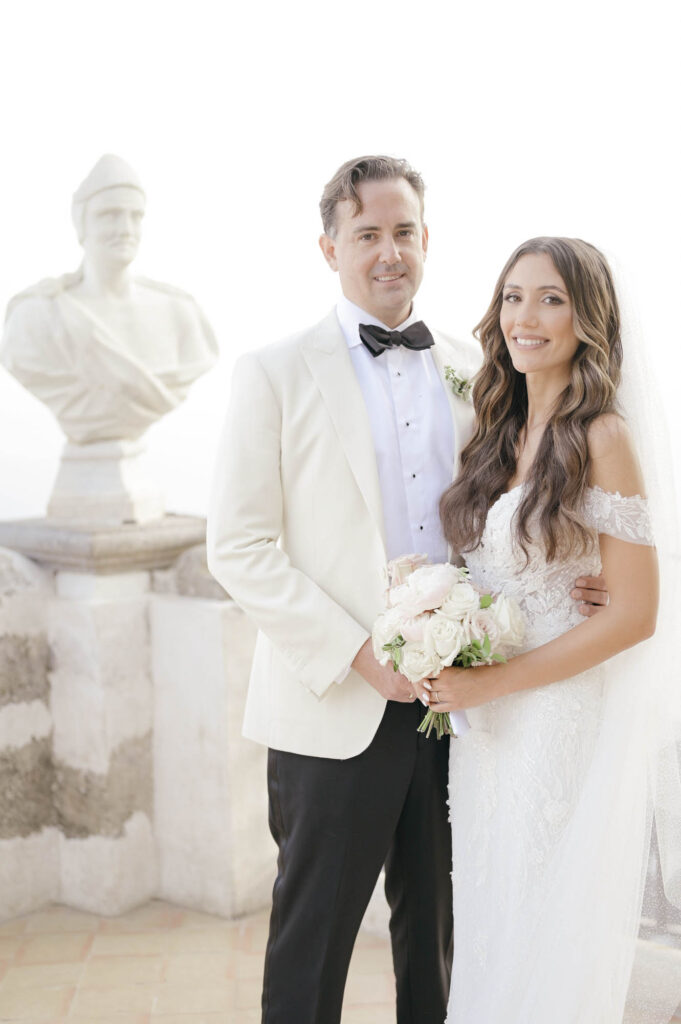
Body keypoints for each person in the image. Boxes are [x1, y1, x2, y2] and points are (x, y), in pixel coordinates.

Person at [206, 161, 607, 1024]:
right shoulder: (273, 371)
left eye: (402, 232)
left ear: (426, 240)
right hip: (332, 705)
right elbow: (237, 546)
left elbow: (518, 502)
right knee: (312, 944)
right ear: (329, 248)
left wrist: (578, 578)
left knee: (440, 940)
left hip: (465, 705)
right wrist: (361, 655)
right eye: (367, 235)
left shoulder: (479, 366)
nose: (388, 252)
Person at [434, 237, 680, 1022]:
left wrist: (492, 682)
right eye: (513, 297)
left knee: (542, 915)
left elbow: (635, 613)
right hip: (484, 731)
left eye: (550, 299)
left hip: (553, 718)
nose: (525, 317)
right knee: (490, 912)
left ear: (587, 319)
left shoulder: (601, 436)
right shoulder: (491, 429)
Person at [1, 154, 218, 445]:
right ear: (81, 223)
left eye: (136, 216)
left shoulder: (180, 313)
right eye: (109, 215)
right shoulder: (36, 315)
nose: (126, 229)